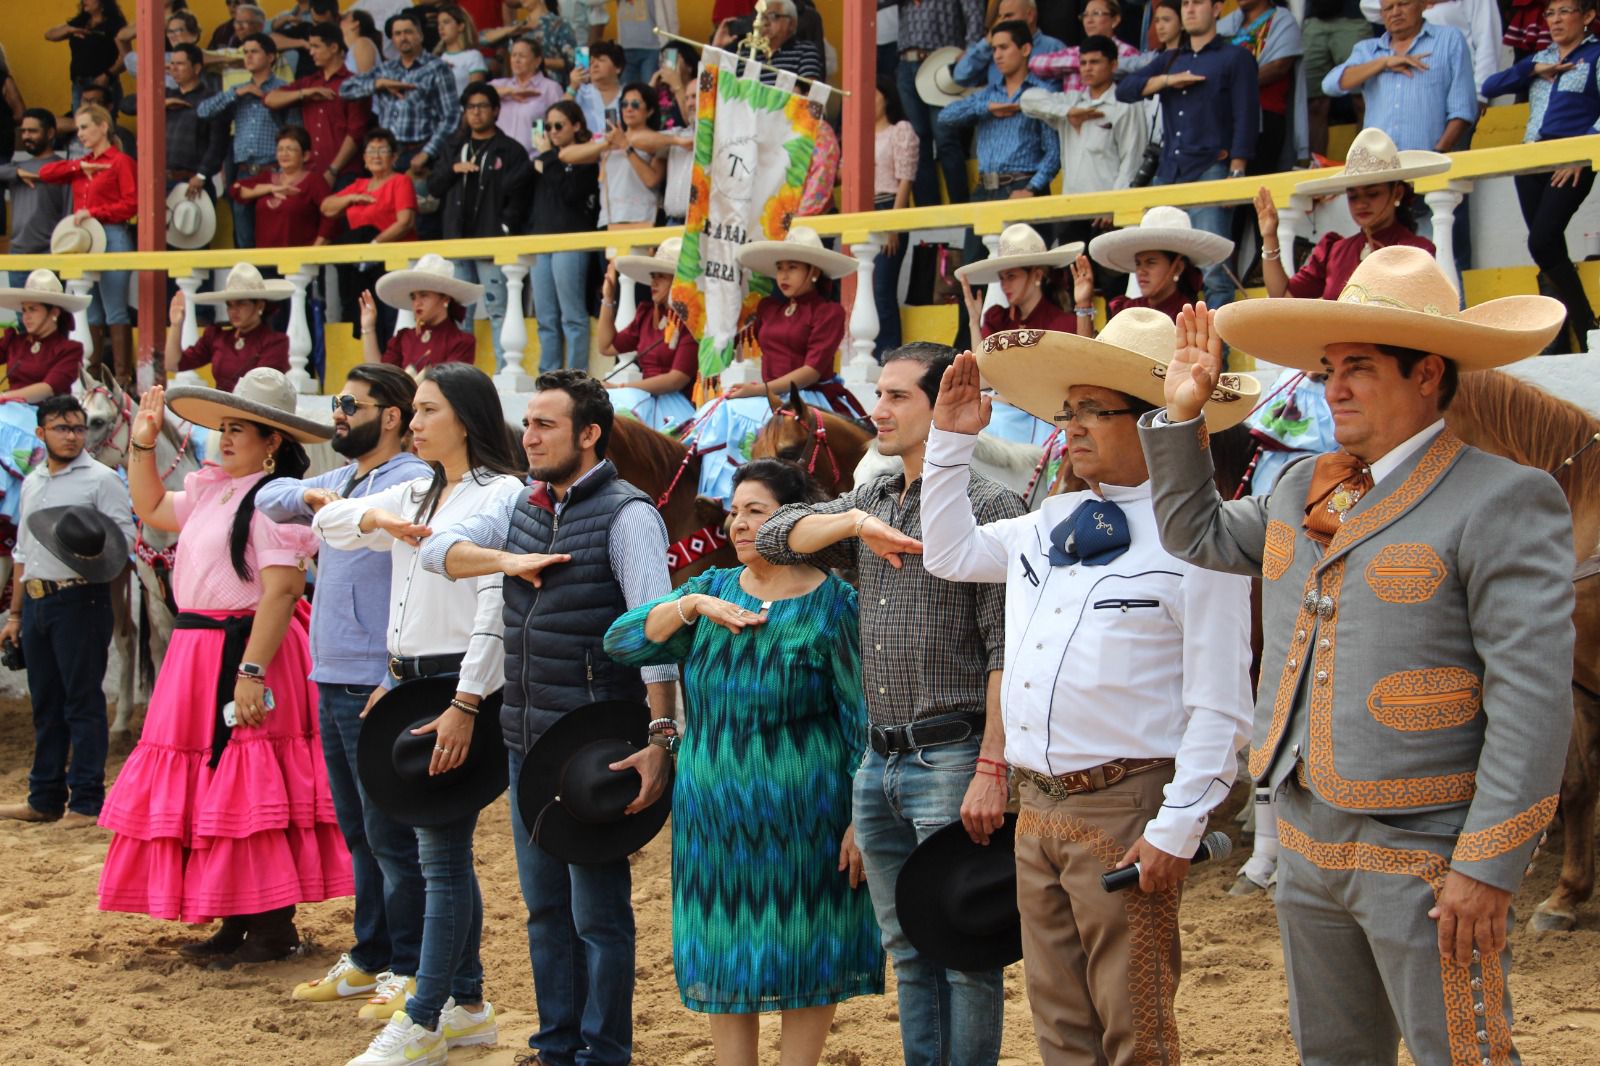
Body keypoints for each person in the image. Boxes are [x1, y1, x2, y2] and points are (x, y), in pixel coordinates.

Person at [1140, 246, 1573, 1066]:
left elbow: (1532, 697)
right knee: (1333, 1055)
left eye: (1360, 367)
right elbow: (1195, 533)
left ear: (1428, 374)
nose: (1333, 387)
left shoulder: (1503, 496)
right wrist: (1184, 417)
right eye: (1330, 368)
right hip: (1306, 834)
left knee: (1464, 1055)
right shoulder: (1303, 484)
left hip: (1430, 846)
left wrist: (1488, 863)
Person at [920, 317, 1255, 1066]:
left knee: (1134, 1025)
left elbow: (1221, 704)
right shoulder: (1052, 519)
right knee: (1060, 1022)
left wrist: (1178, 825)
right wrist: (950, 444)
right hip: (1037, 804)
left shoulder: (1201, 540)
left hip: (1125, 801)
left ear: (1156, 421)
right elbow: (947, 553)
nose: (1071, 427)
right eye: (1069, 410)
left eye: (1094, 411)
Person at [754, 345, 1023, 1066]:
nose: (878, 409)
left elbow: (1006, 651)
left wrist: (992, 766)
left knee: (964, 950)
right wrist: (851, 526)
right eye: (879, 393)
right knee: (907, 947)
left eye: (899, 396)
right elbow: (776, 536)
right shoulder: (871, 500)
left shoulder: (992, 507)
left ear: (945, 407)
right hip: (879, 759)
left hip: (955, 753)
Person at [418, 369, 677, 1066]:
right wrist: (508, 559)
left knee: (598, 915)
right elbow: (436, 549)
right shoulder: (518, 504)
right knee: (544, 910)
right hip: (526, 741)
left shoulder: (629, 514)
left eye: (545, 425)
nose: (527, 437)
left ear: (589, 435)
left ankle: (604, 1054)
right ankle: (556, 1048)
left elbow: (655, 635)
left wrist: (661, 738)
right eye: (527, 423)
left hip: (597, 745)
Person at [603, 457, 884, 1064]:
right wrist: (691, 606)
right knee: (722, 951)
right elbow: (621, 641)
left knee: (808, 949)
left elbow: (860, 721)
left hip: (806, 818)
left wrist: (863, 817)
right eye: (734, 512)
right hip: (711, 816)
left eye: (756, 511)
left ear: (794, 521)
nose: (738, 524)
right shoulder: (713, 590)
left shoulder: (834, 605)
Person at [97, 370, 347, 963]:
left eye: (239, 429)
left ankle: (271, 926)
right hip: (199, 651)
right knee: (214, 782)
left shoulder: (275, 501)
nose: (225, 438)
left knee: (247, 780)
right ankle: (238, 919)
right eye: (223, 428)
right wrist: (142, 442)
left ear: (272, 442)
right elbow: (151, 506)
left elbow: (283, 591)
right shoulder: (215, 491)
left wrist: (252, 672)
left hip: (246, 649)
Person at [312, 363, 521, 1062]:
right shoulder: (416, 489)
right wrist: (375, 517)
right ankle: (464, 1004)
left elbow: (495, 606)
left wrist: (466, 700)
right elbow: (330, 520)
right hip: (412, 680)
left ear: (465, 417)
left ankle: (428, 1014)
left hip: (456, 684)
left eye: (429, 410)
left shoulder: (501, 493)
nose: (416, 422)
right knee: (442, 853)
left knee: (440, 854)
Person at [255, 365, 431, 1011]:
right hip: (332, 674)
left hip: (374, 680)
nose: (337, 413)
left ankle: (407, 966)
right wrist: (312, 497)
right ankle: (371, 954)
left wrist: (391, 675)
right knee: (359, 830)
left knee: (391, 834)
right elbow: (269, 497)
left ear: (390, 416)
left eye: (349, 404)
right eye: (337, 402)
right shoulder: (344, 479)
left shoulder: (410, 481)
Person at [0, 395, 133, 829]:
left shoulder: (102, 479)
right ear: (41, 433)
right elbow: (23, 552)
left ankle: (87, 801)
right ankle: (44, 797)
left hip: (82, 598)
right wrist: (15, 616)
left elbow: (124, 541)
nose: (73, 436)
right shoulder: (33, 481)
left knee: (82, 701)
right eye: (62, 428)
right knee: (46, 702)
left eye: (78, 428)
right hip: (37, 600)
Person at [1116, 0, 1259, 310]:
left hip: (1211, 167)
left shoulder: (1235, 57)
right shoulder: (1171, 59)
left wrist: (1237, 170)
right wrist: (1167, 81)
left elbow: (1246, 115)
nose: (1190, 9)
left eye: (1198, 2)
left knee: (1215, 270)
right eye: (1185, 4)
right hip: (1170, 170)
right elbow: (1124, 89)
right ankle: (1157, 334)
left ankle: (1215, 342)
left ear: (1217, 8)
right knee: (1153, 261)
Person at [1483, 0, 1600, 350]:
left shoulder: (1595, 55)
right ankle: (1566, 336)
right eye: (1550, 13)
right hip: (1531, 162)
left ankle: (1586, 325)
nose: (1555, 20)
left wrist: (1585, 152)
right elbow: (1489, 86)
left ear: (1588, 16)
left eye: (1565, 11)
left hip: (1570, 161)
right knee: (1549, 248)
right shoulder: (1538, 59)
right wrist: (1533, 69)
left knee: (1542, 242)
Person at [1253, 127, 1443, 301]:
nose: (1361, 204)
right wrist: (1270, 237)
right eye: (1353, 196)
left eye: (1372, 194)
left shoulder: (1417, 252)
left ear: (1397, 193)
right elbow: (1283, 296)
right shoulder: (1335, 251)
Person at [427, 83, 530, 373]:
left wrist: (505, 227)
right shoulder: (454, 147)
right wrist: (453, 169)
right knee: (460, 314)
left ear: (496, 110)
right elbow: (434, 186)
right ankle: (458, 376)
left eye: (482, 106)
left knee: (498, 308)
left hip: (491, 242)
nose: (476, 112)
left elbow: (520, 195)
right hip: (457, 241)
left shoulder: (510, 150)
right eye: (470, 107)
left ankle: (503, 372)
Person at [37, 105, 137, 389]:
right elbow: (46, 172)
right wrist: (78, 166)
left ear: (102, 126)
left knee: (115, 309)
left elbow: (132, 203)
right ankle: (91, 379)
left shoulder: (120, 161)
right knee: (90, 310)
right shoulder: (83, 164)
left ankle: (122, 380)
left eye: (84, 127)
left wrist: (95, 212)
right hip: (86, 239)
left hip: (112, 234)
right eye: (78, 128)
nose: (79, 133)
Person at [340, 11, 462, 238]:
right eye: (397, 34)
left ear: (420, 35)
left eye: (408, 32)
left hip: (422, 156)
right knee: (386, 220)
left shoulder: (437, 68)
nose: (403, 38)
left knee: (422, 223)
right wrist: (379, 84)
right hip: (389, 157)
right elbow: (345, 89)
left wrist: (427, 153)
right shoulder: (387, 70)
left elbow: (452, 117)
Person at [1322, 0, 1475, 155]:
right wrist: (1383, 63)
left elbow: (1463, 110)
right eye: (1388, 8)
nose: (1395, 12)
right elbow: (1330, 85)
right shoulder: (1368, 50)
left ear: (1422, 5)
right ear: (1382, 14)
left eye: (1403, 4)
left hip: (1429, 160)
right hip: (1378, 164)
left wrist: (1437, 153)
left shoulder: (1449, 39)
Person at [1021, 35, 1149, 199]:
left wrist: (1116, 203)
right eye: (1083, 63)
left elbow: (1132, 161)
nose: (1087, 68)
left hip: (1107, 204)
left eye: (1095, 62)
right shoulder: (1072, 101)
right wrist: (1068, 111)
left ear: (1113, 65)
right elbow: (1027, 100)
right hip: (1071, 204)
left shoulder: (1126, 104)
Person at [326, 128, 420, 349]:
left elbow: (405, 222)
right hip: (363, 269)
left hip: (393, 263)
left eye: (382, 150)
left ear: (394, 157)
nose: (376, 156)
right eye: (371, 151)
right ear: (364, 158)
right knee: (369, 321)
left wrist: (375, 246)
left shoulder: (400, 181)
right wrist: (351, 198)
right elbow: (326, 208)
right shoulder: (359, 185)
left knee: (392, 319)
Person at [526, 100, 601, 372]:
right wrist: (544, 158)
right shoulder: (544, 158)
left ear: (577, 125)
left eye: (559, 125)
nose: (552, 132)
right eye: (548, 127)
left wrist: (548, 158)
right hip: (542, 239)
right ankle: (549, 375)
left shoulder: (586, 157)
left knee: (572, 315)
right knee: (545, 318)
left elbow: (571, 194)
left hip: (572, 239)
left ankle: (576, 378)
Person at [599, 238, 699, 431]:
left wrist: (622, 388)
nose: (653, 282)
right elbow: (606, 346)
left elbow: (676, 379)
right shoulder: (646, 315)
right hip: (645, 398)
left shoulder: (691, 321)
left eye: (661, 276)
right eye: (653, 276)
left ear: (678, 281)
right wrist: (608, 298)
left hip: (676, 404)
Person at [896, 0, 989, 207]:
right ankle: (928, 211)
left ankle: (960, 208)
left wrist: (971, 50)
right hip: (906, 62)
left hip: (940, 63)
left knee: (946, 137)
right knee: (917, 141)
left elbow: (973, 12)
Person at [199, 32, 287, 249]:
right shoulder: (238, 90)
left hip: (274, 169)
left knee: (272, 236)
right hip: (244, 170)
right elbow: (203, 111)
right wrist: (237, 93)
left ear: (271, 57)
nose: (248, 56)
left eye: (254, 52)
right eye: (245, 52)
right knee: (245, 237)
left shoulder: (283, 89)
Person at [265, 23, 371, 188]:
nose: (311, 52)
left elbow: (355, 133)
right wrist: (303, 93)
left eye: (316, 46)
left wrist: (333, 170)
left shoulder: (354, 83)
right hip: (311, 172)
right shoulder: (309, 82)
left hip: (344, 173)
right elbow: (269, 99)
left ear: (333, 47)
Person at [1087, 205, 1236, 322]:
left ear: (1177, 268)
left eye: (1150, 263)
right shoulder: (1127, 310)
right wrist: (1083, 303)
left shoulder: (1190, 319)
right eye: (1138, 264)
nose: (1141, 271)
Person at [166, 263, 293, 393]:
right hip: (219, 404)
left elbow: (263, 389)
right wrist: (176, 325)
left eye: (241, 304)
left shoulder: (274, 342)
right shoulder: (217, 337)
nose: (233, 311)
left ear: (260, 306)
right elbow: (173, 364)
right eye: (229, 305)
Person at [565, 80, 666, 229]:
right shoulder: (610, 139)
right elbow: (566, 155)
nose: (629, 109)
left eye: (635, 104)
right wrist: (606, 144)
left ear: (650, 111)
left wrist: (625, 146)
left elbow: (651, 180)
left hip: (643, 219)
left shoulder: (659, 139)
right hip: (610, 220)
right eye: (624, 104)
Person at [365, 254, 482, 374]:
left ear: (445, 299)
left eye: (424, 295)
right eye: (413, 297)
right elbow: (379, 376)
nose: (417, 303)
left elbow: (450, 383)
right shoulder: (405, 337)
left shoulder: (461, 341)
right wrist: (368, 327)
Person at [232, 125, 337, 250]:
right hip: (265, 258)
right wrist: (270, 188)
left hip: (300, 258)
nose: (284, 154)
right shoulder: (267, 178)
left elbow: (332, 217)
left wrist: (314, 250)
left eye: (290, 149)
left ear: (305, 155)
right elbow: (236, 189)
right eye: (280, 149)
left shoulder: (314, 181)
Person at [873, 78, 919, 358]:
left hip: (889, 206)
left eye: (874, 94)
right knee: (866, 287)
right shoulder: (859, 135)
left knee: (882, 288)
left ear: (887, 97)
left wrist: (894, 224)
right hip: (864, 212)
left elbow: (905, 180)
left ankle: (888, 355)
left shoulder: (900, 130)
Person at [1, 113, 74, 288]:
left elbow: (69, 214)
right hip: (18, 256)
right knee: (22, 307)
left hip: (51, 255)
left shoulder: (63, 169)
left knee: (51, 307)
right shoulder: (16, 169)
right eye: (23, 131)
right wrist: (16, 173)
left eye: (32, 131)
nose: (26, 136)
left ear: (50, 133)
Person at [0, 272, 87, 403]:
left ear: (54, 312)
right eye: (24, 310)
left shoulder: (70, 350)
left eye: (32, 309)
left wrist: (4, 397)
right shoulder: (15, 341)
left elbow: (47, 389)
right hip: (9, 409)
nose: (26, 317)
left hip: (48, 412)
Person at [1303, 0, 1372, 157]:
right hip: (1314, 17)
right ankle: (1316, 164)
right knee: (1314, 105)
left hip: (1354, 14)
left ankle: (1366, 161)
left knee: (1362, 100)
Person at [1027, 0, 1139, 91]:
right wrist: (1080, 62)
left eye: (1096, 13)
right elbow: (1034, 63)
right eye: (1085, 15)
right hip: (1072, 110)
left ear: (1115, 20)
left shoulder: (1127, 52)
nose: (1089, 20)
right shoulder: (1074, 52)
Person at [46, 0, 128, 110]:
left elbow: (126, 57)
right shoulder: (81, 21)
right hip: (79, 84)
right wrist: (70, 30)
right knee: (80, 118)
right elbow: (49, 35)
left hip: (102, 84)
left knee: (101, 118)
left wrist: (107, 75)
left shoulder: (114, 24)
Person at [492, 37, 564, 153]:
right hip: (499, 157)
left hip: (533, 157)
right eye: (513, 55)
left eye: (522, 56)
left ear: (537, 61)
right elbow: (474, 94)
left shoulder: (550, 88)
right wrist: (510, 91)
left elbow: (561, 124)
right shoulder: (500, 84)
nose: (516, 60)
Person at [485, 0, 577, 87]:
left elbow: (572, 61)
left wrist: (537, 62)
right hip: (521, 89)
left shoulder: (558, 24)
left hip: (552, 87)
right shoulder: (518, 27)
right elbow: (484, 40)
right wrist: (511, 29)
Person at [752, 0, 825, 84]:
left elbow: (809, 88)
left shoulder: (805, 51)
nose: (765, 23)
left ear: (792, 24)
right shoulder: (749, 51)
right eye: (762, 17)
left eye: (773, 16)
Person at [571, 39, 627, 141]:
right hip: (587, 148)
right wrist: (572, 87)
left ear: (618, 68)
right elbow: (560, 116)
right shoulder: (580, 92)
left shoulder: (628, 95)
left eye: (601, 60)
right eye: (591, 62)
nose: (595, 65)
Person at [615, 0, 675, 83]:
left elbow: (671, 23)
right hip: (625, 49)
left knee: (650, 88)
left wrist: (671, 61)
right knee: (626, 89)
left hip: (653, 50)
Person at [435, 4, 489, 94]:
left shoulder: (473, 56)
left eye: (446, 22)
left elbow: (475, 93)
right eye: (439, 24)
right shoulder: (436, 58)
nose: (440, 28)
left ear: (461, 26)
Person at [342, 7, 383, 74]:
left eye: (344, 18)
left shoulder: (362, 43)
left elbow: (365, 77)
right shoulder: (349, 52)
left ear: (355, 24)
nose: (340, 22)